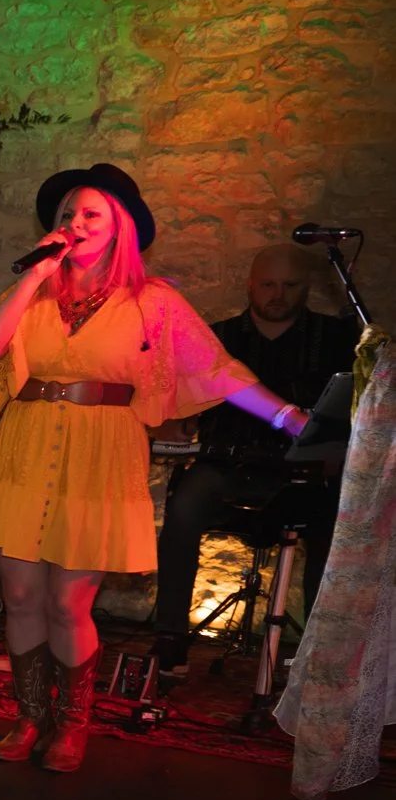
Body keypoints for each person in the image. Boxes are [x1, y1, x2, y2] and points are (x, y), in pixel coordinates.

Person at [0, 164, 311, 770]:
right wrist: (34, 276)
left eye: (90, 214)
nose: (75, 223)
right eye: (67, 214)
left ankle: (72, 724)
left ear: (119, 227)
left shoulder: (153, 303)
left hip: (100, 455)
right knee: (20, 597)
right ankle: (29, 717)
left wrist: (287, 417)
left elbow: (217, 370)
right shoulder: (35, 291)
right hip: (23, 447)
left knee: (67, 604)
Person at [150, 244, 358, 672]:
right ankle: (169, 637)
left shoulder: (336, 340)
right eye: (268, 284)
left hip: (303, 471)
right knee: (185, 505)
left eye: (290, 285)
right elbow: (180, 407)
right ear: (250, 284)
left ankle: (316, 657)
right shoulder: (217, 338)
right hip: (227, 466)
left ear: (306, 287)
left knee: (333, 522)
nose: (278, 294)